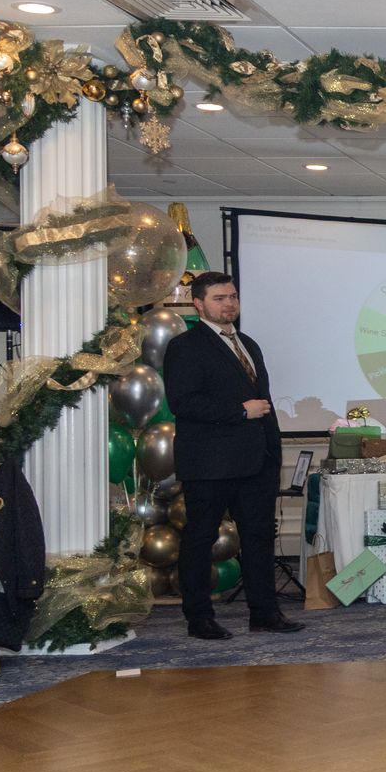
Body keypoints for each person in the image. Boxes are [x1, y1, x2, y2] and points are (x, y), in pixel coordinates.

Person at [161, 272, 301, 639]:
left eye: (233, 296)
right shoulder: (185, 346)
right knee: (200, 538)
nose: (229, 304)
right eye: (220, 298)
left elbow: (264, 403)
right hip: (209, 462)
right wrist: (239, 411)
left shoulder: (248, 344)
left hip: (257, 461)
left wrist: (273, 451)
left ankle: (265, 613)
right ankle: (199, 618)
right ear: (199, 304)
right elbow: (183, 402)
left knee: (258, 538)